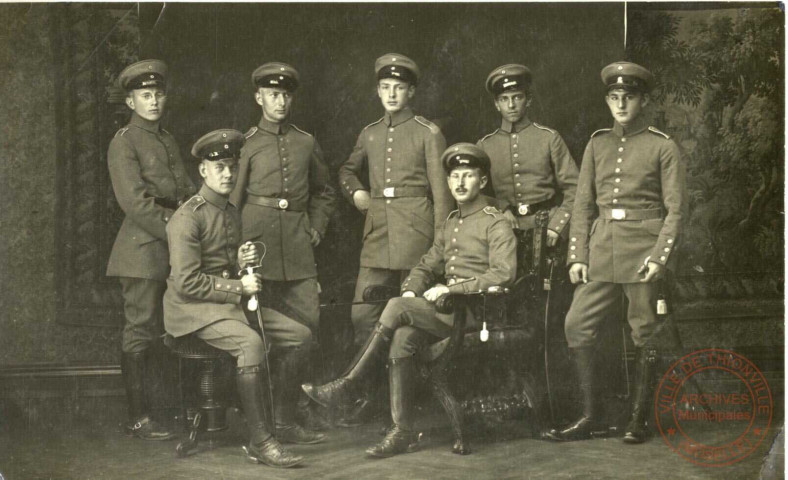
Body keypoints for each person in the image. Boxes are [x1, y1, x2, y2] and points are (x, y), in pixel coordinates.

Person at [304, 143, 517, 457]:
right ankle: (402, 431)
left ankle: (349, 383)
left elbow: (503, 273)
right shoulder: (452, 223)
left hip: (477, 312)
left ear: (482, 182)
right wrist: (410, 288)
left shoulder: (495, 222)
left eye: (468, 176)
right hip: (447, 313)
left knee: (397, 309)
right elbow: (427, 264)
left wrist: (452, 290)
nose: (459, 183)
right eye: (454, 176)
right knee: (402, 336)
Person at [546, 62, 686, 443]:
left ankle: (639, 419)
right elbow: (583, 205)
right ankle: (592, 416)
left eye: (628, 96)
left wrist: (660, 257)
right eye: (614, 97)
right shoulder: (597, 143)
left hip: (643, 253)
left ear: (643, 100)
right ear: (607, 100)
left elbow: (675, 210)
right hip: (602, 249)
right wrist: (577, 256)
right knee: (577, 324)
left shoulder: (662, 146)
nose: (621, 103)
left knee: (645, 332)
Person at [164, 129, 319, 468]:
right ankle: (261, 442)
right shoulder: (187, 217)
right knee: (250, 344)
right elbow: (187, 282)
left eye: (232, 167)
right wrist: (239, 288)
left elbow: (220, 261)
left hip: (225, 305)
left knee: (300, 336)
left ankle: (281, 421)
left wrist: (240, 261)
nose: (227, 174)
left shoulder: (231, 209)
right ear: (202, 170)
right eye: (218, 167)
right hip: (192, 312)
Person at [337, 53, 453, 420]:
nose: (391, 94)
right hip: (377, 234)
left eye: (399, 88)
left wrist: (441, 246)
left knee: (409, 319)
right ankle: (370, 396)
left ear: (411, 91)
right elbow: (347, 170)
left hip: (416, 234)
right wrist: (355, 191)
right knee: (363, 315)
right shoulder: (369, 132)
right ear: (377, 91)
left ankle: (407, 402)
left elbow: (442, 195)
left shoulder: (427, 132)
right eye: (385, 87)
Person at [230, 62, 336, 432]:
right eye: (273, 94)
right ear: (259, 97)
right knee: (264, 335)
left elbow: (324, 191)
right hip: (258, 252)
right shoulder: (246, 144)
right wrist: (237, 249)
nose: (280, 101)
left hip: (299, 250)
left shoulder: (305, 140)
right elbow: (232, 202)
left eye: (286, 94)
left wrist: (317, 227)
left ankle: (288, 411)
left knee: (308, 332)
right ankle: (267, 417)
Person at [106, 59, 196, 440]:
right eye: (145, 95)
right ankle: (139, 417)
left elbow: (187, 190)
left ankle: (169, 411)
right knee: (141, 330)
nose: (154, 101)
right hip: (142, 249)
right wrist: (180, 232)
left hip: (173, 246)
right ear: (130, 101)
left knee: (172, 328)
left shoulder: (168, 138)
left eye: (158, 94)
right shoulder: (124, 140)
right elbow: (137, 204)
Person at [478, 63, 578, 244]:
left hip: (547, 229)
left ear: (528, 100)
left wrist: (558, 225)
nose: (511, 105)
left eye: (517, 97)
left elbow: (575, 188)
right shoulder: (485, 145)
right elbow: (475, 193)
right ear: (496, 104)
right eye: (504, 99)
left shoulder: (549, 138)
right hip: (503, 231)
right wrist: (501, 209)